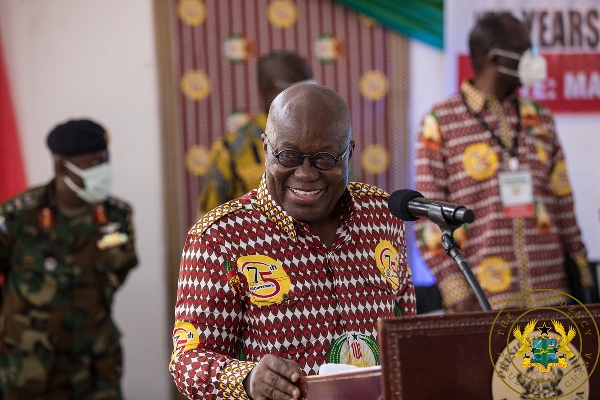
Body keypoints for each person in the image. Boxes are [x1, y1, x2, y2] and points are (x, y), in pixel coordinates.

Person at [171, 84, 415, 399]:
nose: (306, 174)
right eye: (288, 156)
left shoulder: (383, 216)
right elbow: (187, 361)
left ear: (349, 152)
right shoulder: (220, 239)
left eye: (325, 158)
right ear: (266, 148)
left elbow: (406, 327)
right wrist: (246, 379)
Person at [414, 13, 595, 312]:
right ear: (496, 59)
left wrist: (585, 281)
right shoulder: (440, 122)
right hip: (484, 303)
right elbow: (428, 217)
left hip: (553, 299)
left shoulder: (540, 117)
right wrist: (457, 292)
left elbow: (563, 205)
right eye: (525, 51)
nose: (533, 59)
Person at [0, 119, 138, 399]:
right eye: (93, 164)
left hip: (95, 365)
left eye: (105, 160)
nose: (103, 170)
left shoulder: (116, 217)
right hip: (30, 368)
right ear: (62, 168)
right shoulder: (18, 217)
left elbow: (120, 270)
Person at [197, 49, 314, 217]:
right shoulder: (231, 149)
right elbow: (208, 220)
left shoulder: (327, 138)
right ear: (270, 89)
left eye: (310, 79)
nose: (310, 88)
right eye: (300, 80)